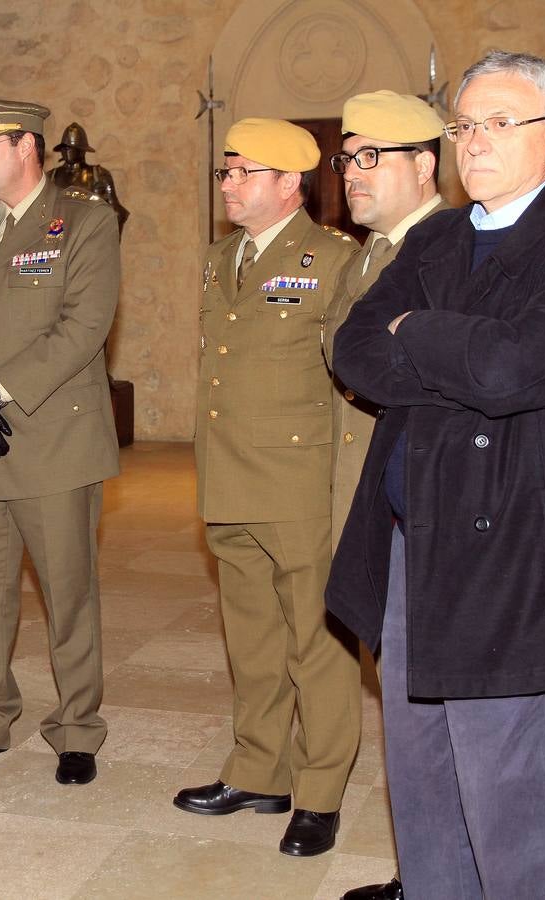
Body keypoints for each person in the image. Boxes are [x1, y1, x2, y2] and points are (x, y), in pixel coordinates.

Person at [327, 51, 545, 898]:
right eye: (464, 124)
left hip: (512, 557)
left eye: (500, 122)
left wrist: (417, 332)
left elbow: (514, 371)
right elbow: (353, 349)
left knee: (511, 798)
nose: (475, 141)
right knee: (424, 785)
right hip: (404, 545)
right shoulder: (435, 234)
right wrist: (439, 348)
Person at [0, 97, 120, 786]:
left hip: (53, 442)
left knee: (67, 594)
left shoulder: (85, 224)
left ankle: (75, 728)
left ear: (28, 147)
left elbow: (83, 325)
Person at [175, 117, 359, 858]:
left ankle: (318, 792)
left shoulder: (332, 258)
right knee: (250, 639)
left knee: (316, 643)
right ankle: (258, 769)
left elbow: (347, 381)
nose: (227, 185)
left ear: (290, 184)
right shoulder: (222, 256)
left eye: (244, 172)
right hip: (227, 474)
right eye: (225, 172)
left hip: (294, 481)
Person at [323, 90, 450, 900]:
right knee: (404, 701)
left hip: (423, 496)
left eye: (372, 157)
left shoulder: (443, 248)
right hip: (364, 485)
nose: (352, 173)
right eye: (347, 157)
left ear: (423, 164)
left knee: (427, 706)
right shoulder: (370, 252)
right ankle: (428, 873)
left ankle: (435, 878)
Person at [48, 122, 130, 235]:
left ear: (82, 150)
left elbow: (117, 211)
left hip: (89, 234)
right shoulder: (52, 176)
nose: (68, 151)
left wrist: (109, 239)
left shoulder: (98, 175)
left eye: (71, 148)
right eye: (65, 148)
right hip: (57, 236)